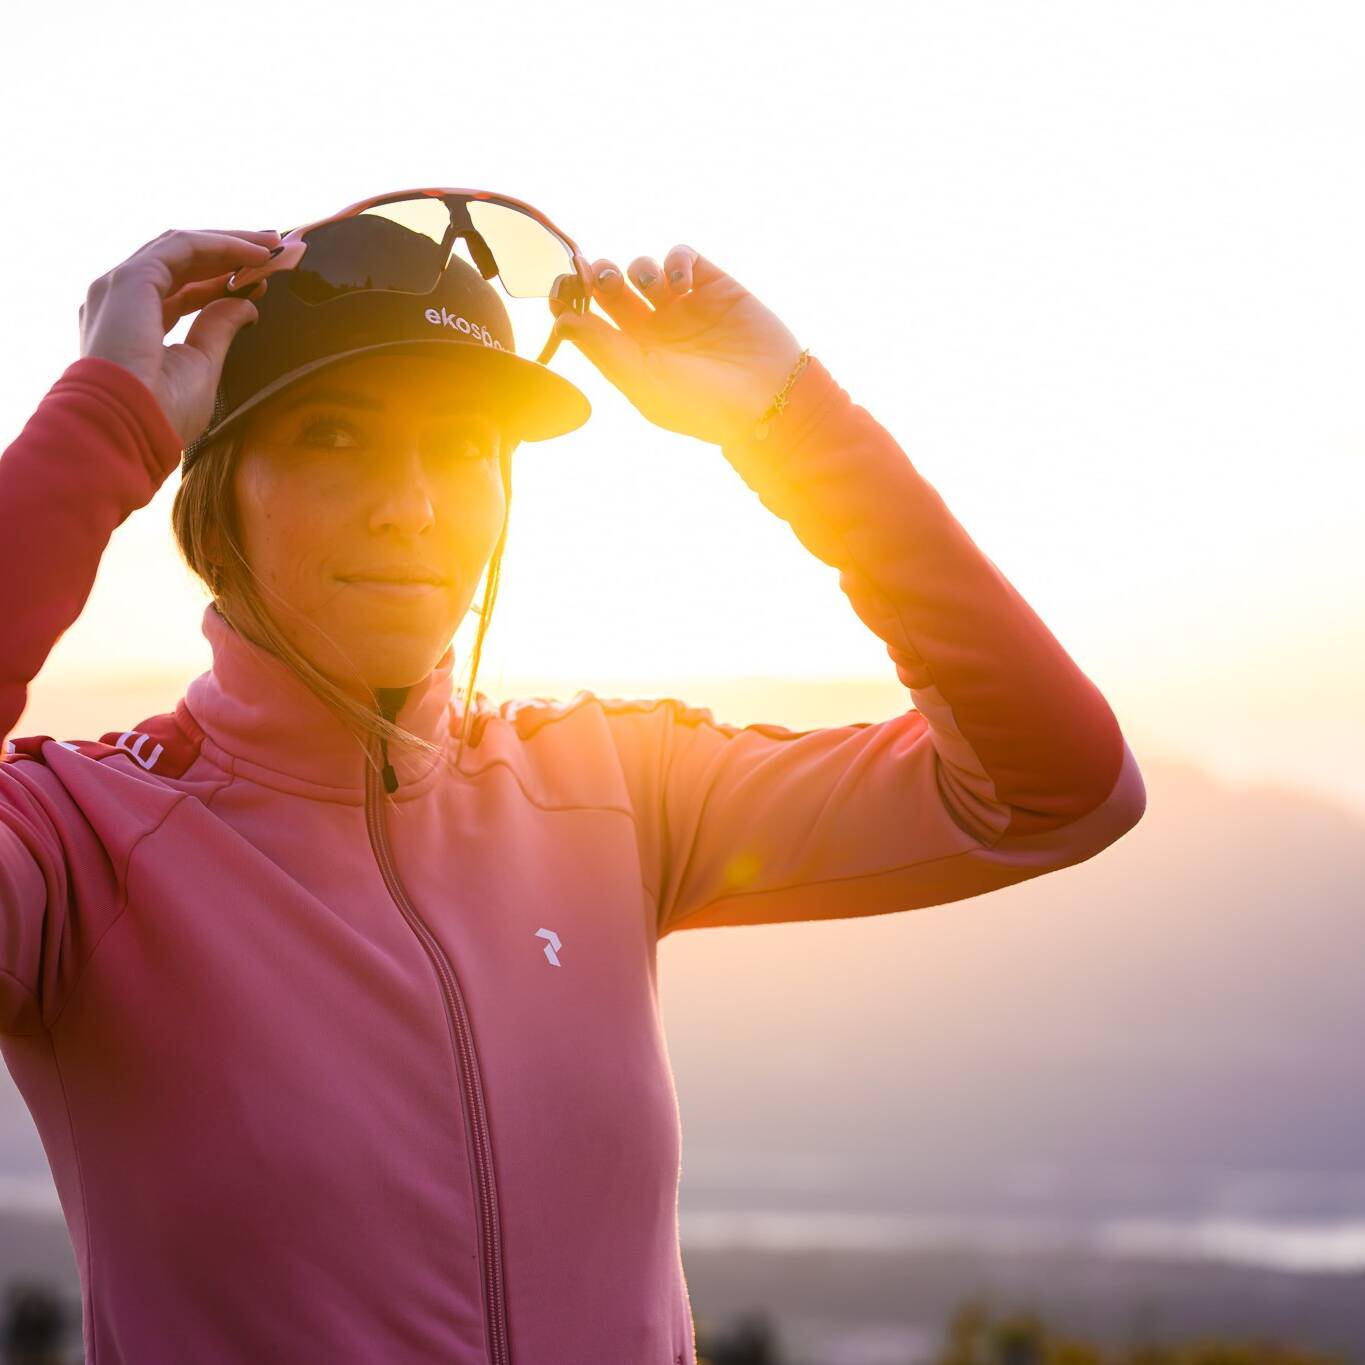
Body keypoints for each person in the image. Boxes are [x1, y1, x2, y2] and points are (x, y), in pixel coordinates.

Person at [0, 201, 1146, 1365]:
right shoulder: (81, 843)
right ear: (215, 495)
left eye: (461, 445)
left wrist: (795, 426)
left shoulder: (606, 785)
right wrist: (108, 420)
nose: (416, 507)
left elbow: (1057, 784)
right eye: (332, 436)